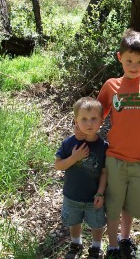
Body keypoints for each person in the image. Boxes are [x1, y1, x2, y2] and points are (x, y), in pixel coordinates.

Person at [76, 29, 140, 259]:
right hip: (115, 158)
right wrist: (80, 131)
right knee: (114, 205)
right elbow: (95, 114)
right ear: (120, 58)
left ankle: (125, 240)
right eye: (129, 60)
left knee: (132, 206)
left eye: (139, 61)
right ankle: (113, 246)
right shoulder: (111, 86)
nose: (134, 66)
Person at [55, 97, 108, 259]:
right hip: (73, 195)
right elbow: (58, 165)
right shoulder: (70, 143)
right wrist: (74, 158)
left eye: (93, 119)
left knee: (97, 224)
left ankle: (96, 248)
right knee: (74, 222)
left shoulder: (104, 146)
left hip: (93, 197)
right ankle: (76, 244)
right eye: (84, 119)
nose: (89, 123)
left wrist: (100, 192)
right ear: (75, 121)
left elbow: (105, 172)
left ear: (101, 121)